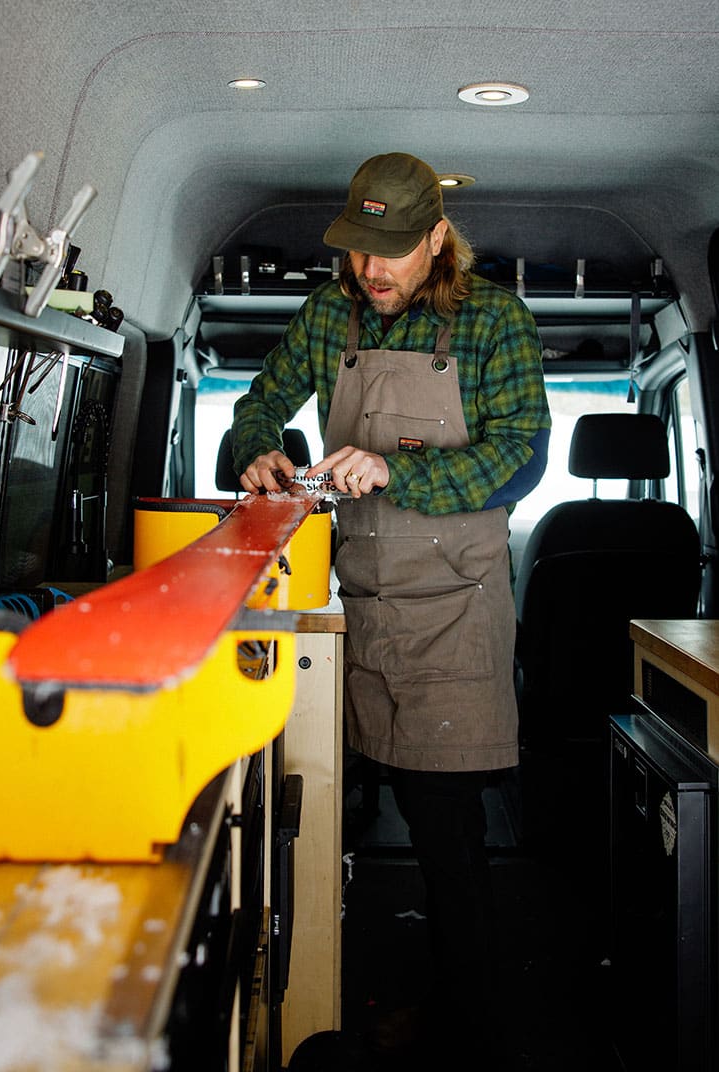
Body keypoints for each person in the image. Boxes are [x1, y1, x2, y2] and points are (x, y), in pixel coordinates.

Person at [231, 151, 551, 1064]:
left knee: (447, 841)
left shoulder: (492, 320)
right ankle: (328, 1013)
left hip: (454, 615)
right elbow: (262, 400)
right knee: (321, 817)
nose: (372, 271)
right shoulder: (332, 311)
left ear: (437, 239)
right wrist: (257, 450)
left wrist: (395, 469)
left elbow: (521, 455)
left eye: (394, 251)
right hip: (352, 613)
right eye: (361, 250)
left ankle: (472, 1035)